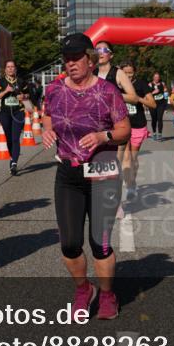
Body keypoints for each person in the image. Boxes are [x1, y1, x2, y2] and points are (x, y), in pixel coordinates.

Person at [42, 33, 131, 321]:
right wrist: (47, 130)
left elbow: (124, 131)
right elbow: (47, 116)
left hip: (102, 170)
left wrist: (102, 135)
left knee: (99, 243)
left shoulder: (107, 91)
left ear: (90, 59)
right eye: (66, 59)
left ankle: (107, 295)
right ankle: (84, 290)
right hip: (68, 172)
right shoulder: (54, 90)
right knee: (69, 242)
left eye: (76, 58)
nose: (71, 63)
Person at [120, 61, 157, 203]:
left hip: (138, 125)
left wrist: (138, 98)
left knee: (133, 158)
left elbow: (153, 104)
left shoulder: (141, 84)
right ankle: (129, 185)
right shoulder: (116, 85)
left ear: (134, 73)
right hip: (121, 125)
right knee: (126, 156)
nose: (128, 76)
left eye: (131, 73)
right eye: (126, 73)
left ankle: (132, 182)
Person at [0, 60, 26, 175]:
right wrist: (6, 91)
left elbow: (28, 94)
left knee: (15, 138)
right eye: (8, 67)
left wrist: (24, 96)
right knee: (9, 138)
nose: (10, 69)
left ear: (15, 69)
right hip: (5, 113)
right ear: (5, 69)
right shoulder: (1, 82)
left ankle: (14, 163)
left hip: (18, 112)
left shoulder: (21, 81)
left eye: (12, 67)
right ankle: (12, 157)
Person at [147, 72, 168, 141]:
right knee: (154, 119)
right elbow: (147, 95)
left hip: (161, 104)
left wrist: (165, 92)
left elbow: (166, 94)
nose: (156, 78)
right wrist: (153, 92)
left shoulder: (163, 84)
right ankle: (154, 133)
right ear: (153, 78)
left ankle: (160, 134)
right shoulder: (150, 85)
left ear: (159, 78)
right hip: (152, 104)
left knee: (159, 118)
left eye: (158, 77)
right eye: (155, 77)